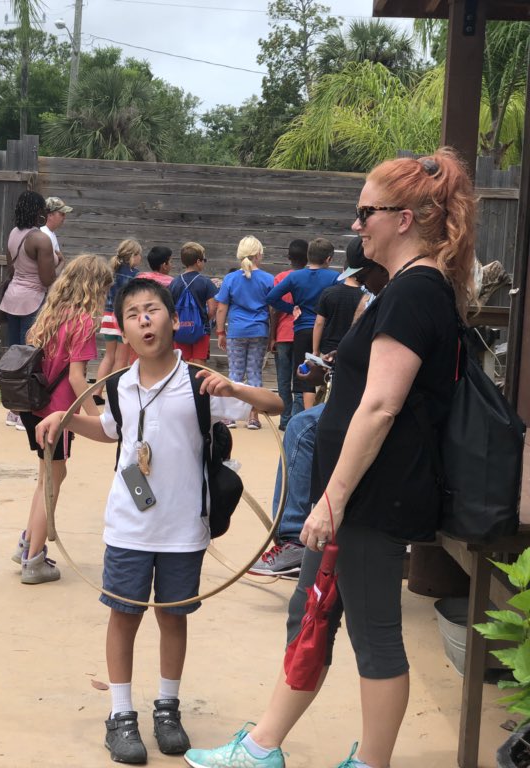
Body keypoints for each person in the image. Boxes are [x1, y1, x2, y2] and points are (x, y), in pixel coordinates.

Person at [185, 148, 475, 768]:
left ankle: (369, 762)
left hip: (369, 499)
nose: (356, 224)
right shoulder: (403, 290)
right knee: (309, 614)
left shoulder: (415, 292)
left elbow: (381, 407)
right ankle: (262, 746)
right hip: (355, 497)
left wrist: (332, 502)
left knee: (374, 635)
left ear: (405, 218)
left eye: (365, 211)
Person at [35, 277, 282, 765]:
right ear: (123, 333)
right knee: (123, 615)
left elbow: (275, 406)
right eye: (132, 314)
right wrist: (64, 418)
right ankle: (121, 714)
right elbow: (110, 432)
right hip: (129, 524)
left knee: (173, 616)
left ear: (174, 319)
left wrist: (232, 386)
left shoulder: (202, 383)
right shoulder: (120, 386)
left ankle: (167, 707)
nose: (144, 319)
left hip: (183, 527)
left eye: (153, 309)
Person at [249, 242, 390, 579]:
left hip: (368, 402)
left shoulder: (390, 298)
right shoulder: (372, 298)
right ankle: (294, 535)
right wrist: (328, 364)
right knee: (301, 421)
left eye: (365, 276)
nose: (364, 283)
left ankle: (293, 537)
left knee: (301, 428)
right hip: (350, 389)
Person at [11, 254, 111, 585]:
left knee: (48, 478)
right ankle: (34, 560)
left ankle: (28, 543)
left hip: (32, 409)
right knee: (50, 484)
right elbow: (76, 378)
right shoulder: (83, 323)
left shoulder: (51, 313)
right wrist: (99, 420)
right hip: (58, 413)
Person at [0, 191, 59, 428]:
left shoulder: (14, 234)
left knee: (15, 353)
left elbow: (11, 267)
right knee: (33, 354)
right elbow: (46, 279)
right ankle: (28, 411)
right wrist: (58, 264)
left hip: (12, 297)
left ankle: (13, 409)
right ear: (38, 211)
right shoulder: (40, 239)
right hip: (33, 299)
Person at [265, 238, 339, 412]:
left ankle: (304, 415)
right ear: (328, 259)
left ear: (308, 256)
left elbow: (271, 298)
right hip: (326, 331)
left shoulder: (295, 276)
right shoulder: (335, 278)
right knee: (328, 371)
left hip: (302, 329)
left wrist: (291, 309)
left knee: (305, 375)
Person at [213, 236, 274, 429]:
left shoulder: (230, 279)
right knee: (255, 373)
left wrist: (220, 331)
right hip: (259, 330)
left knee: (235, 374)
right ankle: (253, 417)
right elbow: (272, 309)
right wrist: (271, 335)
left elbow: (222, 308)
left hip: (237, 330)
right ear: (258, 255)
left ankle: (230, 417)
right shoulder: (268, 279)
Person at [95, 239, 142, 405]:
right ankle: (113, 395)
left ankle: (97, 392)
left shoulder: (110, 271)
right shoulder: (134, 275)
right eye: (139, 255)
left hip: (107, 317)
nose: (140, 259)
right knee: (121, 359)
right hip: (121, 319)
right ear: (133, 256)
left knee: (108, 356)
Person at [271, 240, 308, 430]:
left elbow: (274, 309)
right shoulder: (310, 277)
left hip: (283, 334)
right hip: (303, 333)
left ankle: (285, 419)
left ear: (288, 258)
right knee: (301, 379)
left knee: (283, 379)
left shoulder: (280, 277)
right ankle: (297, 419)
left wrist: (272, 337)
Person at [312, 238, 366, 358]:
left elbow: (319, 322)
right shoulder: (365, 297)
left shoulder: (328, 292)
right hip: (352, 350)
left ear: (343, 270)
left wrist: (315, 350)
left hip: (327, 350)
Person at [169, 242, 218, 366]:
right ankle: (197, 385)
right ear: (198, 261)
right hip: (201, 329)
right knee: (199, 365)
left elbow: (169, 308)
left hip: (180, 329)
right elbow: (212, 309)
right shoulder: (206, 283)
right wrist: (204, 320)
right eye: (204, 259)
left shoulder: (174, 283)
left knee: (182, 363)